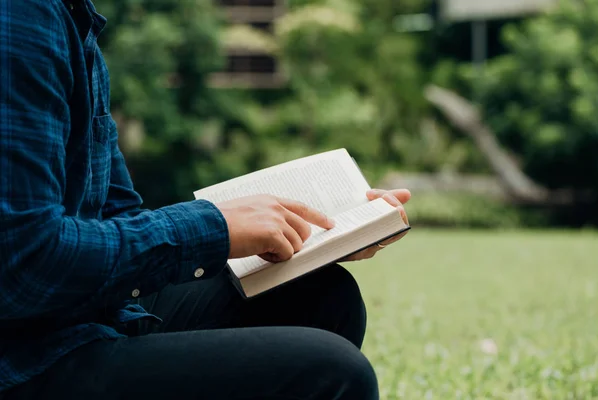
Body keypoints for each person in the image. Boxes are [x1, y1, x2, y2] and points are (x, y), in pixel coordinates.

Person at [0, 0, 411, 399]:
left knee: (323, 297)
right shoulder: (21, 17)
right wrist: (212, 226)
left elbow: (115, 213)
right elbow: (24, 258)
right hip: (24, 354)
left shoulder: (73, 16)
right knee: (334, 375)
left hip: (76, 314)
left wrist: (309, 235)